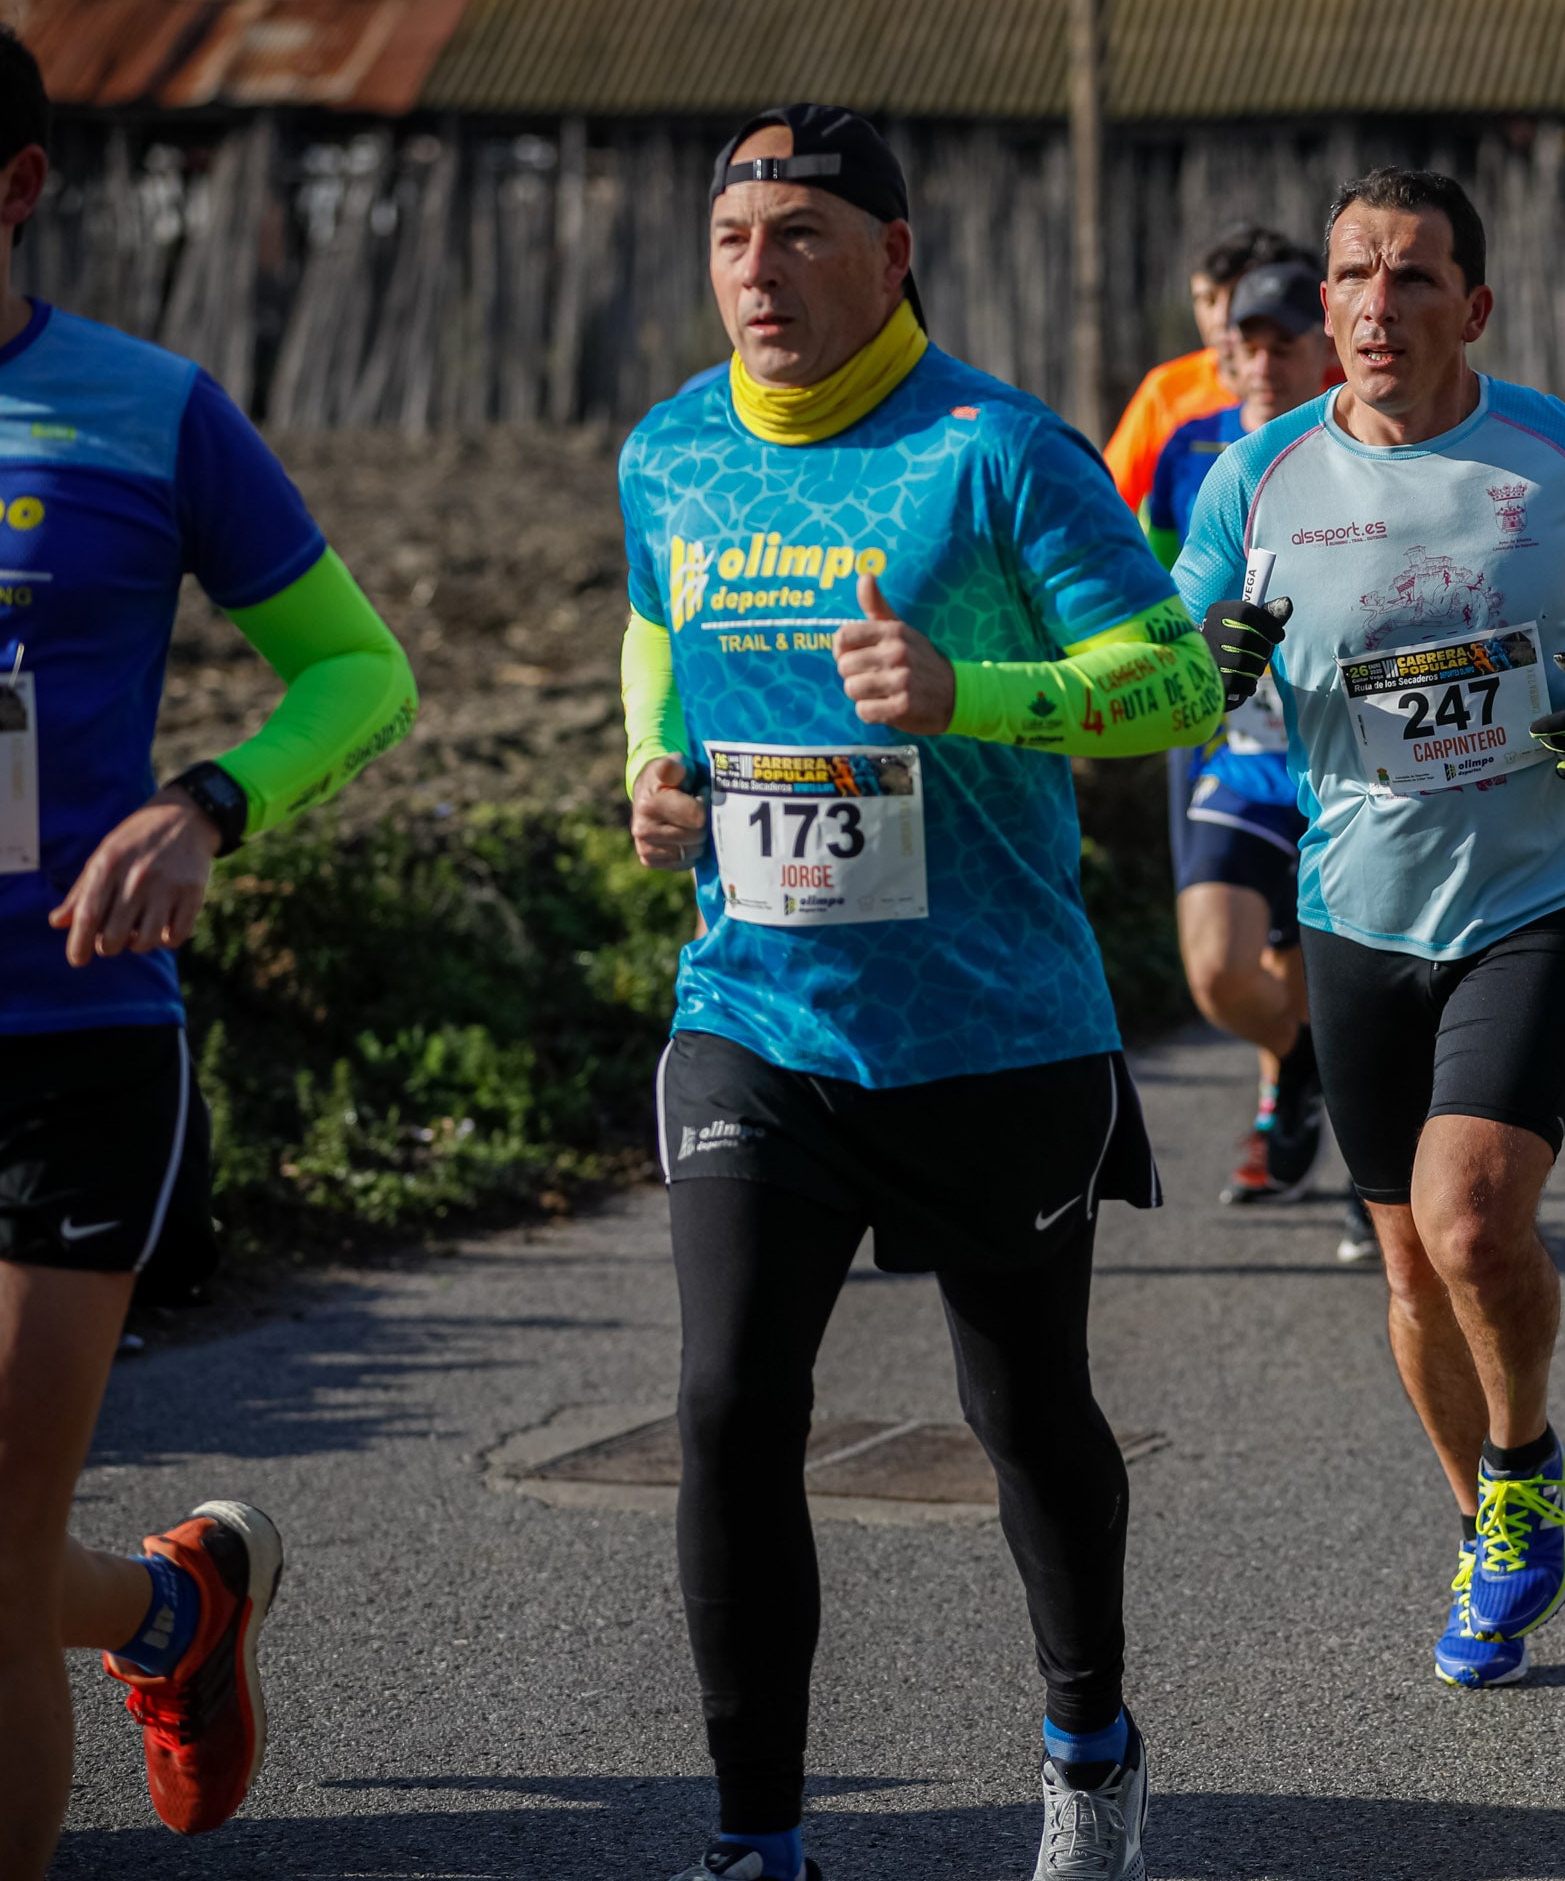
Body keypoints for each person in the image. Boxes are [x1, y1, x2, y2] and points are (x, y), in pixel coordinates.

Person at [621, 104, 1223, 1881]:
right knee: (730, 1402)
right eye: (735, 239)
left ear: (893, 257)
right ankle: (757, 1841)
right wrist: (651, 765)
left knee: (1023, 1409)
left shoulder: (997, 451)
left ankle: (1089, 1741)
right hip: (757, 1010)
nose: (759, 271)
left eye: (802, 234)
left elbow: (1174, 676)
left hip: (990, 1023)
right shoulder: (669, 453)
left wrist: (977, 693)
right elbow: (658, 631)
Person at [0, 0, 417, 1878]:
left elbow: (357, 668)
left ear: (17, 182)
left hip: (55, 1047)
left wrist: (208, 804)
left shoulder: (142, 408)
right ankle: (179, 1610)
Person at [1175, 168, 1565, 1688]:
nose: (1374, 304)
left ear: (1472, 307)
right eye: (1354, 274)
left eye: (1413, 276)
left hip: (1545, 889)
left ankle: (1527, 1453)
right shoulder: (1258, 483)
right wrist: (1209, 658)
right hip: (1357, 906)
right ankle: (1488, 1519)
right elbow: (1168, 670)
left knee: (1472, 1220)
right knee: (1409, 1273)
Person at [1143, 260, 1373, 1259]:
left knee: (1343, 971)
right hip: (1239, 757)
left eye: (1286, 340)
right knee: (1218, 971)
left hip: (1351, 763)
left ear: (1322, 348)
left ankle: (1376, 1156)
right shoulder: (1192, 449)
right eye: (1250, 340)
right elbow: (1148, 583)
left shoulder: (1362, 448)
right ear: (1225, 348)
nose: (1265, 359)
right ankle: (1309, 1062)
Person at [1102, 222, 1313, 511]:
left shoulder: (1334, 388)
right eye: (1207, 299)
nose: (1221, 318)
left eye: (1238, 295)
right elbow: (1108, 501)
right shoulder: (1166, 391)